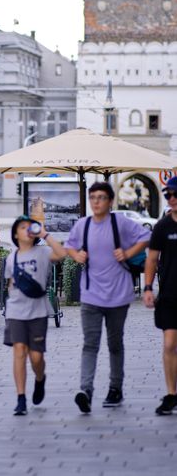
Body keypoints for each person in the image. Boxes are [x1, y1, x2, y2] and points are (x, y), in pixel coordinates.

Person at [65, 182, 150, 414]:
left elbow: (146, 236)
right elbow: (69, 247)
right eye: (93, 197)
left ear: (110, 201)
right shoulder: (83, 225)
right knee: (89, 344)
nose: (96, 202)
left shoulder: (119, 222)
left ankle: (115, 388)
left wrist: (128, 252)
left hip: (118, 295)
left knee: (115, 344)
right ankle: (86, 391)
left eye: (101, 197)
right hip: (91, 295)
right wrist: (77, 255)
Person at [4, 215, 67, 416]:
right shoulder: (11, 257)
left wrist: (44, 233)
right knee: (19, 351)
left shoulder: (43, 252)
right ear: (15, 234)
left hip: (38, 311)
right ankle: (20, 397)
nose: (26, 230)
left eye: (29, 227)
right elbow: (9, 283)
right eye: (22, 227)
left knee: (36, 357)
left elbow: (62, 253)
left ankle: (40, 379)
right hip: (15, 311)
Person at [143, 176, 177, 415]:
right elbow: (152, 259)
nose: (172, 199)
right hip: (169, 294)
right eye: (168, 195)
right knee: (169, 344)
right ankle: (171, 394)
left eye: (175, 195)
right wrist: (147, 288)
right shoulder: (163, 226)